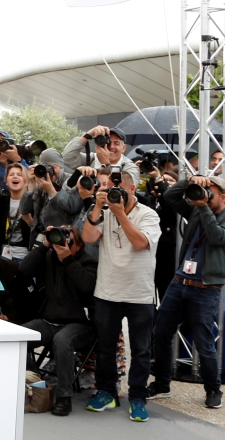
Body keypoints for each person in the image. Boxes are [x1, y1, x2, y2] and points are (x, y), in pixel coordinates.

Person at [81, 166, 160, 422]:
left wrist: (120, 215)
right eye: (110, 190)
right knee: (105, 348)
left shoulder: (148, 215)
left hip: (139, 294)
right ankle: (106, 392)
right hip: (107, 291)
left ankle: (137, 397)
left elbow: (140, 243)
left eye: (120, 190)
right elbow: (88, 237)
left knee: (141, 349)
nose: (115, 194)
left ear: (132, 189)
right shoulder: (103, 212)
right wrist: (97, 207)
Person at [149, 174, 225, 409]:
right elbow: (170, 196)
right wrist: (189, 180)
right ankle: (162, 385)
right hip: (179, 283)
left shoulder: (207, 213)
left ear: (223, 196)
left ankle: (213, 389)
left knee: (204, 344)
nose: (205, 195)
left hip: (206, 289)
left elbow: (216, 237)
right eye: (204, 190)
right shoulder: (195, 210)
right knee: (161, 334)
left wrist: (203, 207)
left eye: (210, 192)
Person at [20, 226, 98, 416]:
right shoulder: (49, 256)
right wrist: (45, 245)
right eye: (59, 239)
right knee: (18, 337)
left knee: (62, 341)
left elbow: (87, 286)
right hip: (49, 321)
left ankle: (64, 397)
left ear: (78, 244)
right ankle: (34, 382)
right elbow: (24, 269)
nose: (62, 243)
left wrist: (68, 260)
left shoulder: (89, 262)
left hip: (80, 324)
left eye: (67, 240)